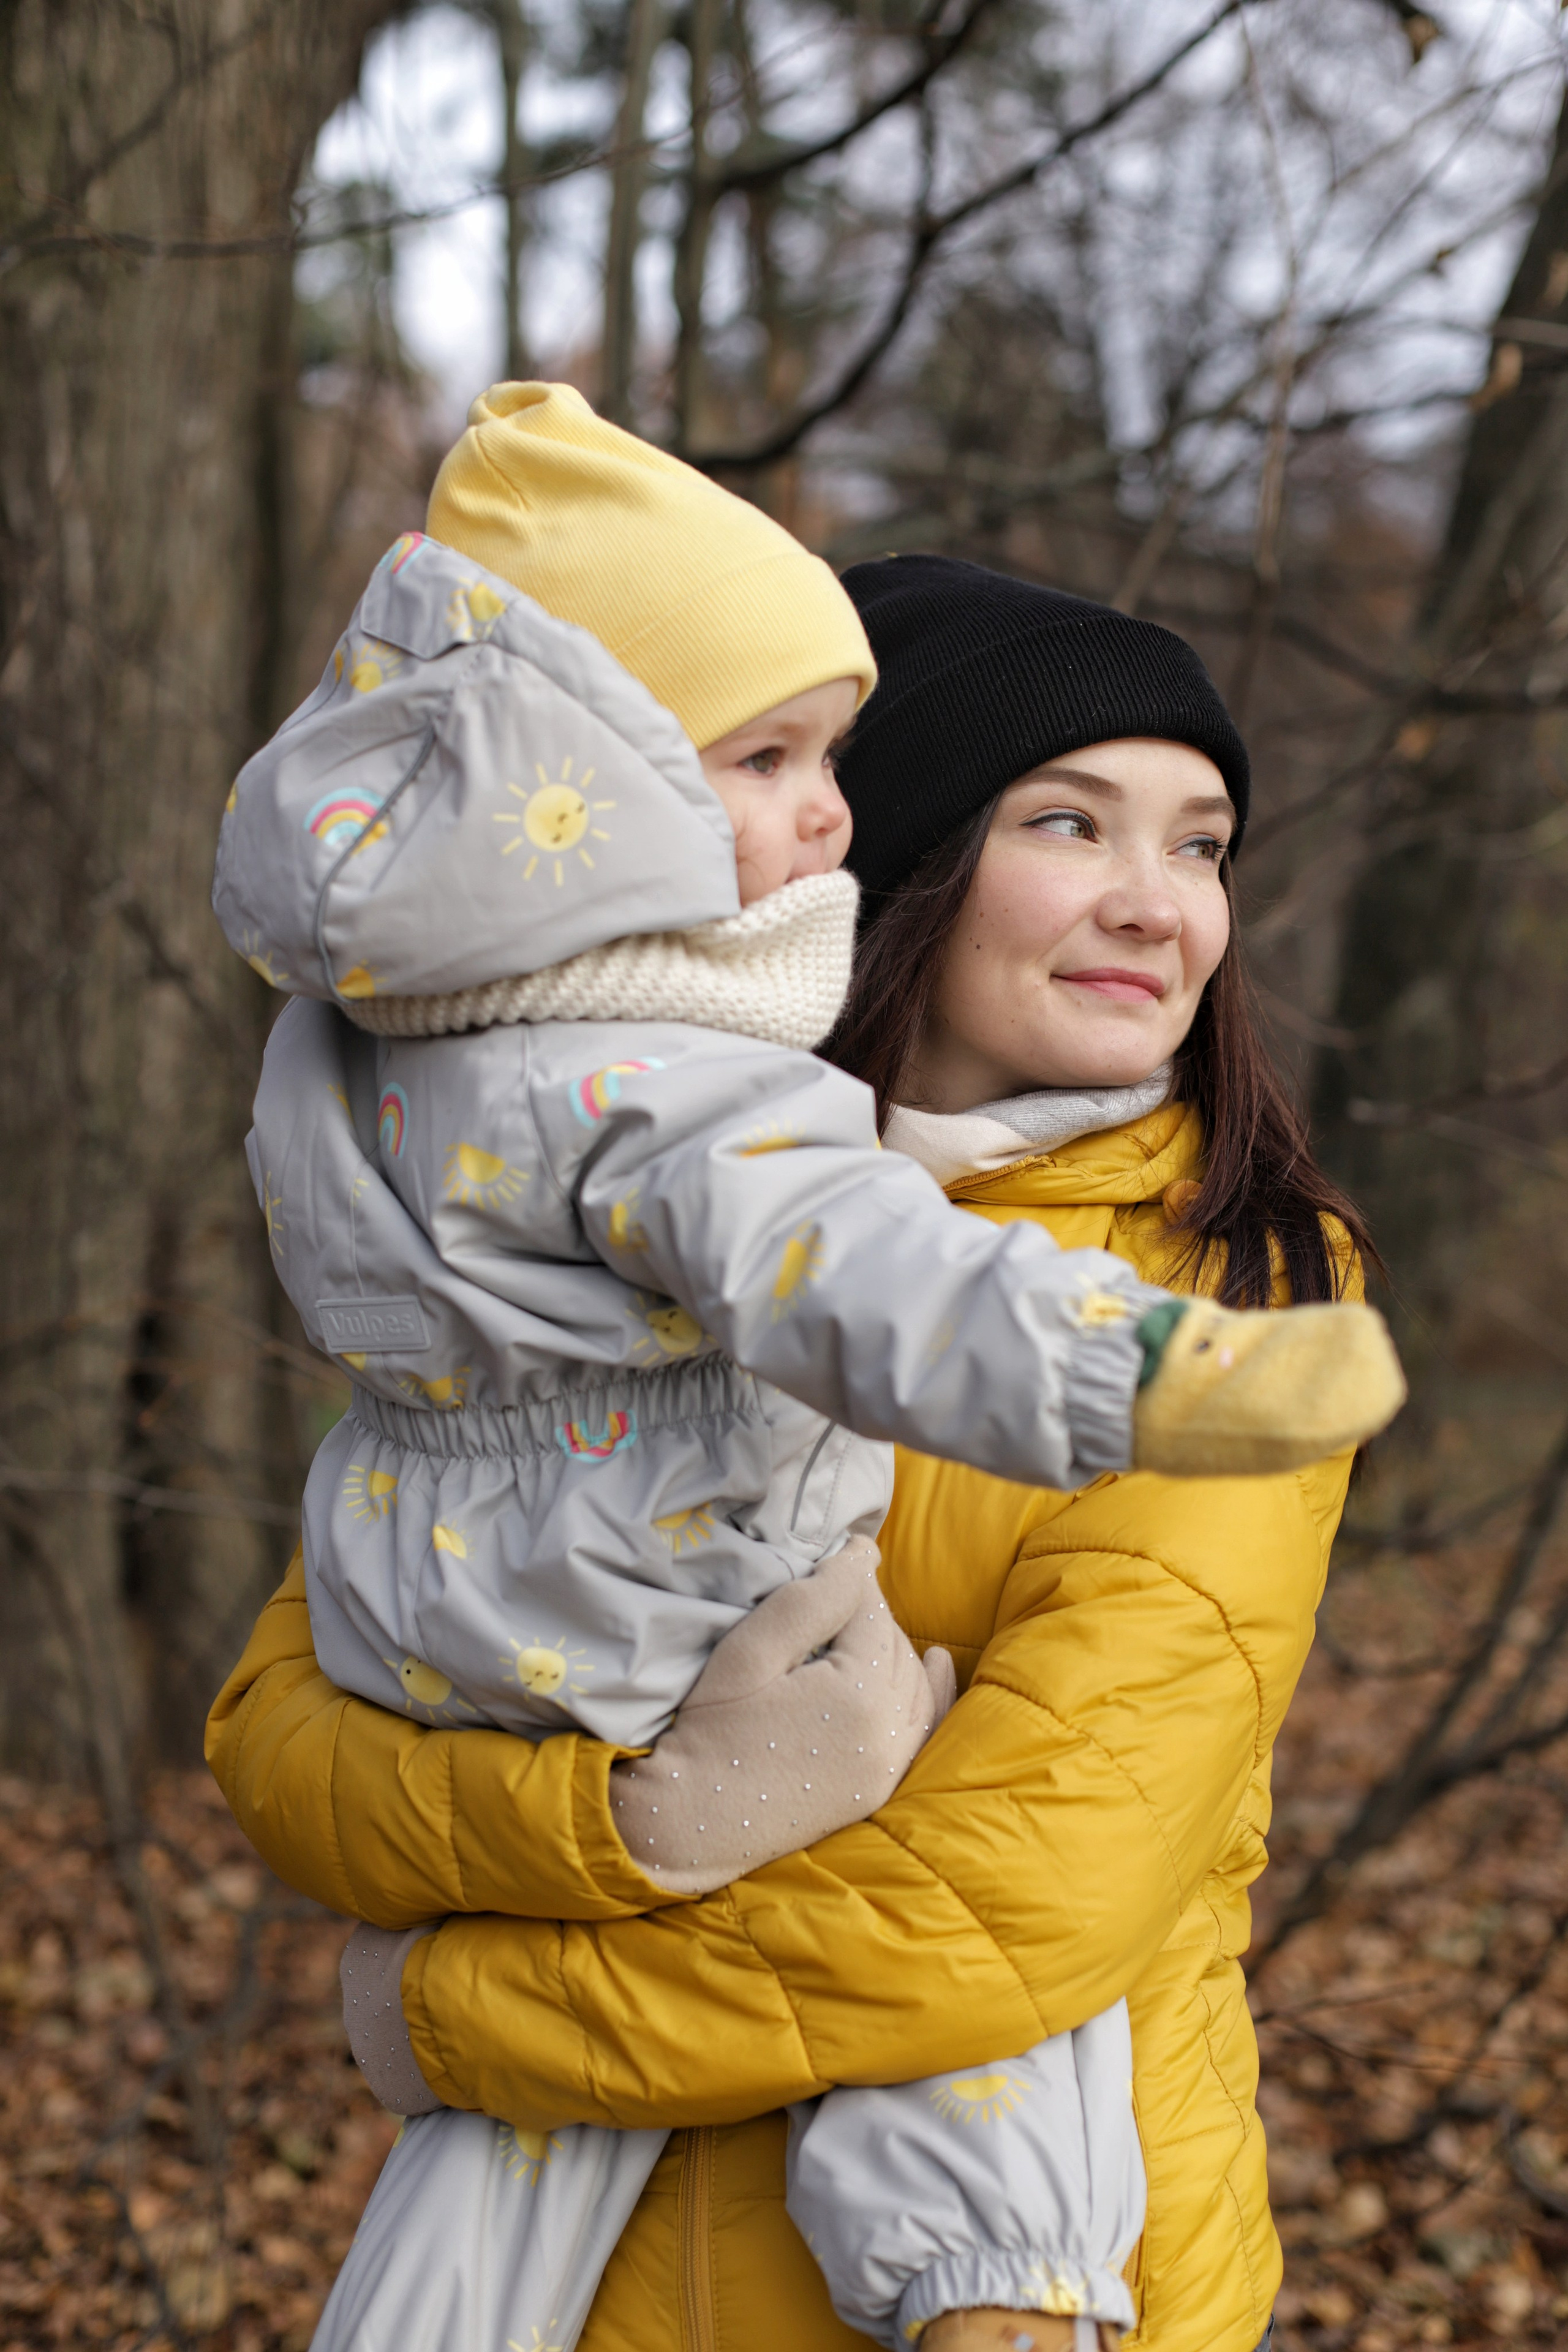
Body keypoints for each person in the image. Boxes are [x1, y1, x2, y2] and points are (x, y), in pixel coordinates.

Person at [209, 507, 1385, 2352]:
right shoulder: (599, 1221)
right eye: (1068, 822)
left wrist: (446, 2015)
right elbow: (294, 1737)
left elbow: (1007, 1909)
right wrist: (646, 1818)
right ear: (888, 844)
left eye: (1204, 844)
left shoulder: (1222, 1303)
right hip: (575, 2294)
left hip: (994, 2297)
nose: (1164, 904)